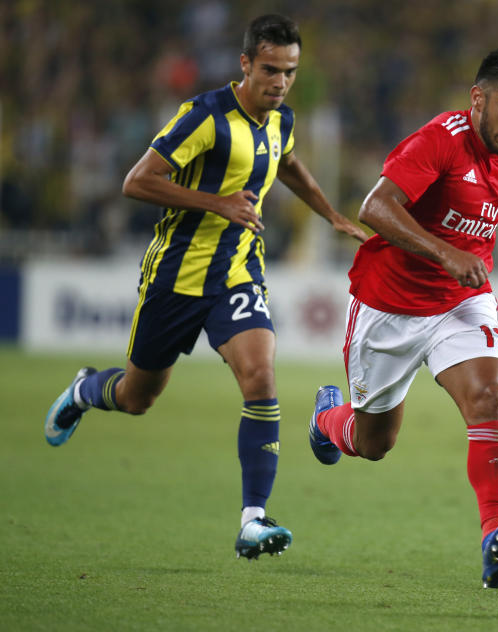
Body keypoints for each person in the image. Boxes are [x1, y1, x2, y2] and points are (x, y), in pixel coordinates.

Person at [43, 14, 367, 559]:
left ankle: (252, 520)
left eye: (289, 72)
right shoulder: (204, 116)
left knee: (260, 373)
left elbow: (287, 166)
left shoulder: (281, 121)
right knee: (137, 397)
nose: (280, 82)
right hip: (176, 276)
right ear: (245, 64)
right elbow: (137, 180)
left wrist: (330, 214)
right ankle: (84, 390)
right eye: (270, 69)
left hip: (238, 271)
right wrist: (219, 203)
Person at [307, 47, 498, 590]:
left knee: (490, 397)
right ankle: (327, 420)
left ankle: (496, 534)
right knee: (373, 445)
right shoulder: (439, 139)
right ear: (478, 98)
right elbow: (375, 207)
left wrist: (465, 265)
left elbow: (473, 233)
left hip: (461, 302)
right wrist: (444, 253)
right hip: (388, 306)